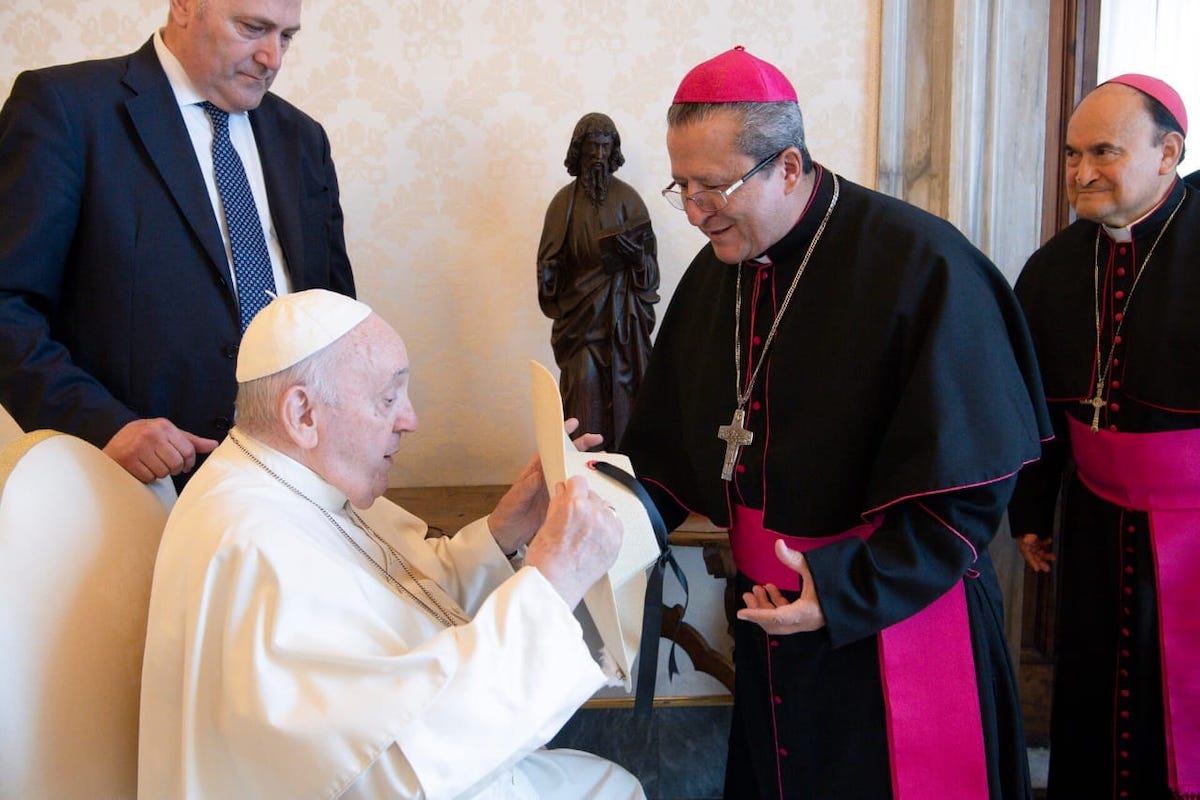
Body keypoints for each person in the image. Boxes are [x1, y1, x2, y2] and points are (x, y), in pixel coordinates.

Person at [618, 47, 1051, 799]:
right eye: (681, 185)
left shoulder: (923, 264)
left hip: (888, 618)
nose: (693, 212)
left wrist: (846, 589)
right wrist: (597, 502)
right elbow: (667, 451)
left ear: (788, 166)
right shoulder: (722, 268)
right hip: (770, 618)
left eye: (714, 186)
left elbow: (972, 484)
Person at [138, 289, 645, 799]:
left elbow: (403, 597)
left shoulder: (288, 481)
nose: (410, 419)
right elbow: (386, 770)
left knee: (610, 784)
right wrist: (557, 579)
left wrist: (504, 531)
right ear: (303, 414)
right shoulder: (252, 545)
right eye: (388, 398)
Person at [0, 0, 355, 488]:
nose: (273, 58)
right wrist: (104, 425)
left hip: (292, 481)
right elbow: (7, 304)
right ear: (185, 6)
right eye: (254, 29)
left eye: (287, 36)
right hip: (133, 485)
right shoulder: (65, 108)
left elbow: (335, 312)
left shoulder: (303, 138)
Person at [1009, 74, 1200, 799]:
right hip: (1092, 522)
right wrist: (1029, 510)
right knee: (1094, 685)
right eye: (1071, 152)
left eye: (1105, 152)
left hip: (1194, 531)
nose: (1081, 172)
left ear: (1168, 152)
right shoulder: (1054, 268)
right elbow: (1033, 404)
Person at [538, 112, 660, 447]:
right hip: (579, 322)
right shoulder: (563, 204)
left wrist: (635, 259)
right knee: (584, 386)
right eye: (593, 146)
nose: (599, 156)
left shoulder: (629, 201)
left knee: (625, 394)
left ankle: (624, 470)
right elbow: (549, 262)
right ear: (579, 149)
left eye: (606, 147)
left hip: (621, 321)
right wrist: (548, 275)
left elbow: (649, 276)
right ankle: (584, 471)